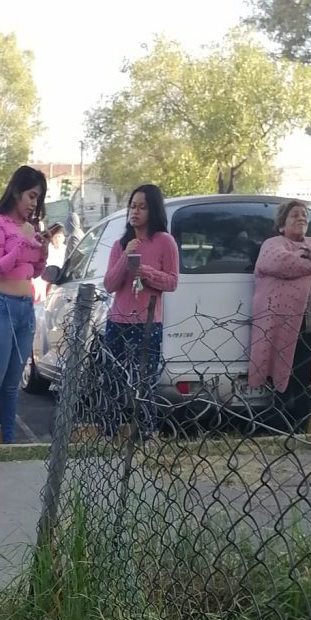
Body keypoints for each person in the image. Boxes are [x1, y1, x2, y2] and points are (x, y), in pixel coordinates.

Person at [248, 200, 311, 432]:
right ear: (282, 225)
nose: (302, 218)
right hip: (283, 329)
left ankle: (302, 428)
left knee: (307, 378)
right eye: (295, 215)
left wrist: (308, 251)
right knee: (283, 378)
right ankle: (281, 430)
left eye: (305, 215)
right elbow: (281, 263)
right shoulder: (273, 244)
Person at [0, 166, 48, 445]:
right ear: (17, 191)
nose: (33, 203)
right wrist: (22, 242)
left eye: (38, 199)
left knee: (11, 386)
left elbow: (35, 271)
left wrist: (42, 249)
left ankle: (8, 445)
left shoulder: (31, 228)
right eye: (31, 195)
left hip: (24, 309)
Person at [102, 184, 179, 438]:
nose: (135, 212)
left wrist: (144, 271)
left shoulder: (164, 242)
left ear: (153, 210)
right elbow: (110, 284)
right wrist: (126, 257)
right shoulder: (120, 244)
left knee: (144, 382)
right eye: (132, 206)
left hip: (147, 323)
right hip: (118, 322)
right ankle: (110, 432)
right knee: (113, 380)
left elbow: (172, 281)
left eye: (142, 207)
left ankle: (147, 434)